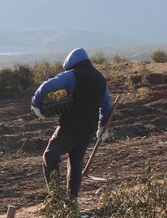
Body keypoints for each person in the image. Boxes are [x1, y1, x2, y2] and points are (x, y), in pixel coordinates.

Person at [31, 48, 113, 198]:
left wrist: (35, 104)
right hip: (89, 128)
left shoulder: (72, 75)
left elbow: (47, 86)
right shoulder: (100, 79)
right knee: (76, 162)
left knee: (50, 156)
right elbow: (107, 106)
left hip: (70, 126)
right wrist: (102, 126)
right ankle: (72, 202)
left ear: (71, 64)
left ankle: (56, 198)